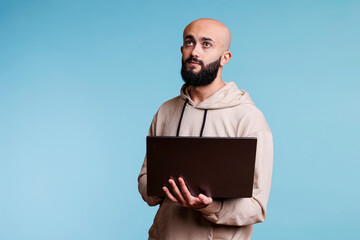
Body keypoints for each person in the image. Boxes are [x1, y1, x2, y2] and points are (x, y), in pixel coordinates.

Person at [138, 18, 273, 240]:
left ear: (225, 58)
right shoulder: (166, 110)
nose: (195, 52)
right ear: (181, 49)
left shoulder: (249, 118)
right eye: (189, 42)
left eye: (206, 44)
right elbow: (145, 180)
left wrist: (208, 206)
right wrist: (166, 188)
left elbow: (256, 207)